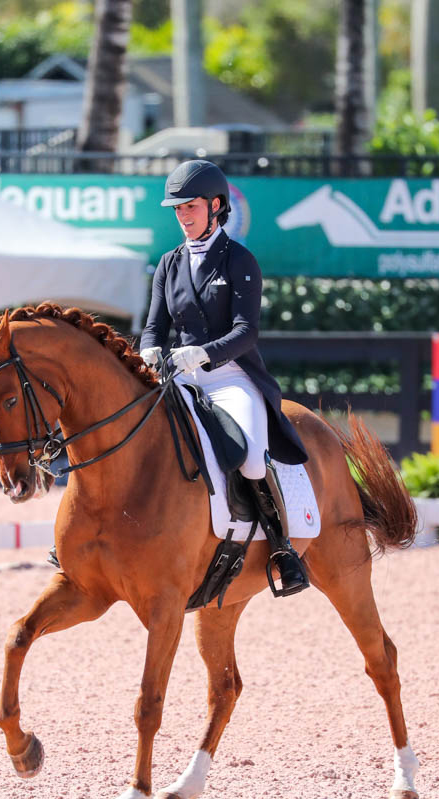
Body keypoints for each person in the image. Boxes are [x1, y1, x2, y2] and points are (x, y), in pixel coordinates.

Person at [140, 159, 309, 597]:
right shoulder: (168, 263)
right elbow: (154, 326)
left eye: (191, 207)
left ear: (216, 206)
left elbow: (246, 331)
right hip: (179, 377)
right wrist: (148, 349)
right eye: (177, 210)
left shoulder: (239, 260)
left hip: (231, 376)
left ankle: (282, 549)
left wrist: (204, 353)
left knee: (251, 458)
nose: (183, 216)